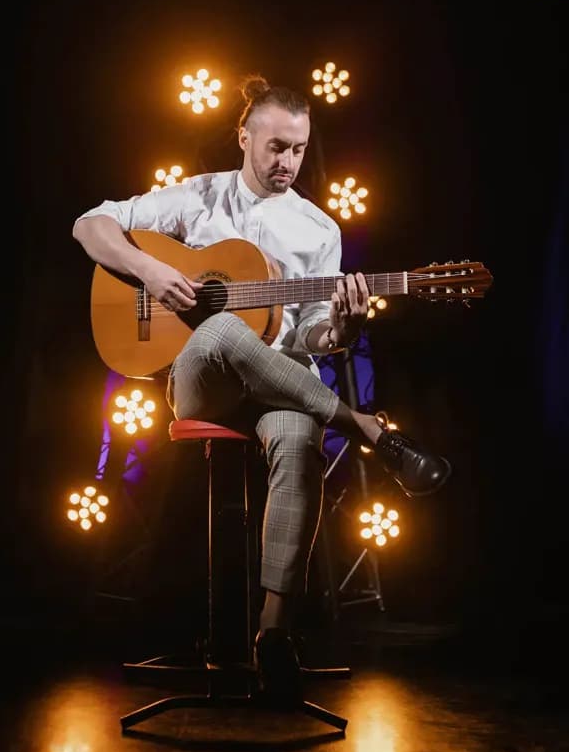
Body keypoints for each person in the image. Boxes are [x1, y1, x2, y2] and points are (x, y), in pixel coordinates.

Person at [72, 74, 451, 706]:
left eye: (299, 149)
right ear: (244, 137)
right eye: (276, 147)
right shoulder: (199, 198)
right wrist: (151, 270)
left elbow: (313, 338)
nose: (288, 162)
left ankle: (273, 634)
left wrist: (344, 327)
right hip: (202, 380)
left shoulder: (318, 229)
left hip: (282, 385)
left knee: (301, 435)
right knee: (222, 326)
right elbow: (90, 225)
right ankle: (364, 426)